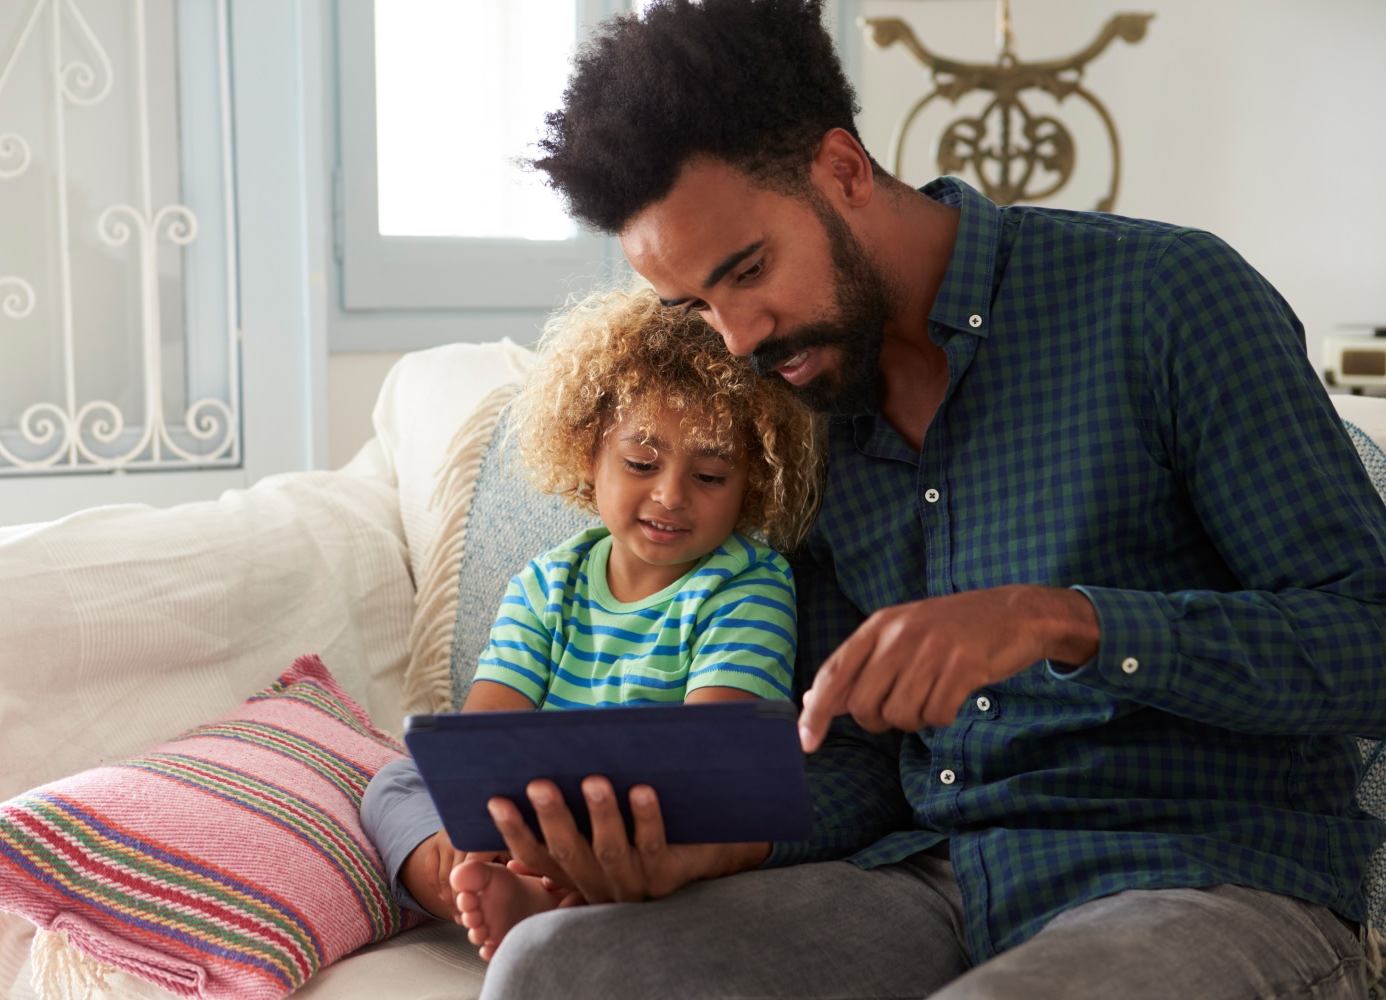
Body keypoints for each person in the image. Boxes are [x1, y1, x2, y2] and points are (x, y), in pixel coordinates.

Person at [463, 2, 1386, 998]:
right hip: (936, 880)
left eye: (749, 270)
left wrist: (1062, 619)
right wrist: (709, 846)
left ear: (844, 172)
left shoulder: (1167, 299)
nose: (734, 337)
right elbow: (856, 754)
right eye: (696, 305)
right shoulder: (800, 410)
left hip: (1207, 877)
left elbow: (1366, 641)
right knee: (557, 967)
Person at [359, 283, 823, 958]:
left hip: (647, 819)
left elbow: (714, 755)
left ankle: (550, 901)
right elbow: (489, 725)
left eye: (710, 476)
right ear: (588, 454)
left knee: (699, 830)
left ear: (749, 484)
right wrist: (478, 806)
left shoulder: (747, 585)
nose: (669, 494)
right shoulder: (548, 581)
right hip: (534, 805)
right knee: (397, 783)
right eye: (642, 462)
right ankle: (489, 887)